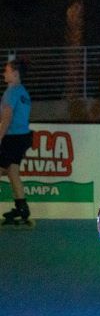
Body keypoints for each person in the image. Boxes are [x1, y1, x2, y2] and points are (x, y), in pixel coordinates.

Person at [0, 58, 33, 227]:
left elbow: (7, 117)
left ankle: (21, 209)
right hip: (23, 138)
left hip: (12, 138)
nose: (3, 73)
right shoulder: (23, 93)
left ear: (15, 73)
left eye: (6, 70)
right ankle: (22, 209)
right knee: (13, 171)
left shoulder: (11, 92)